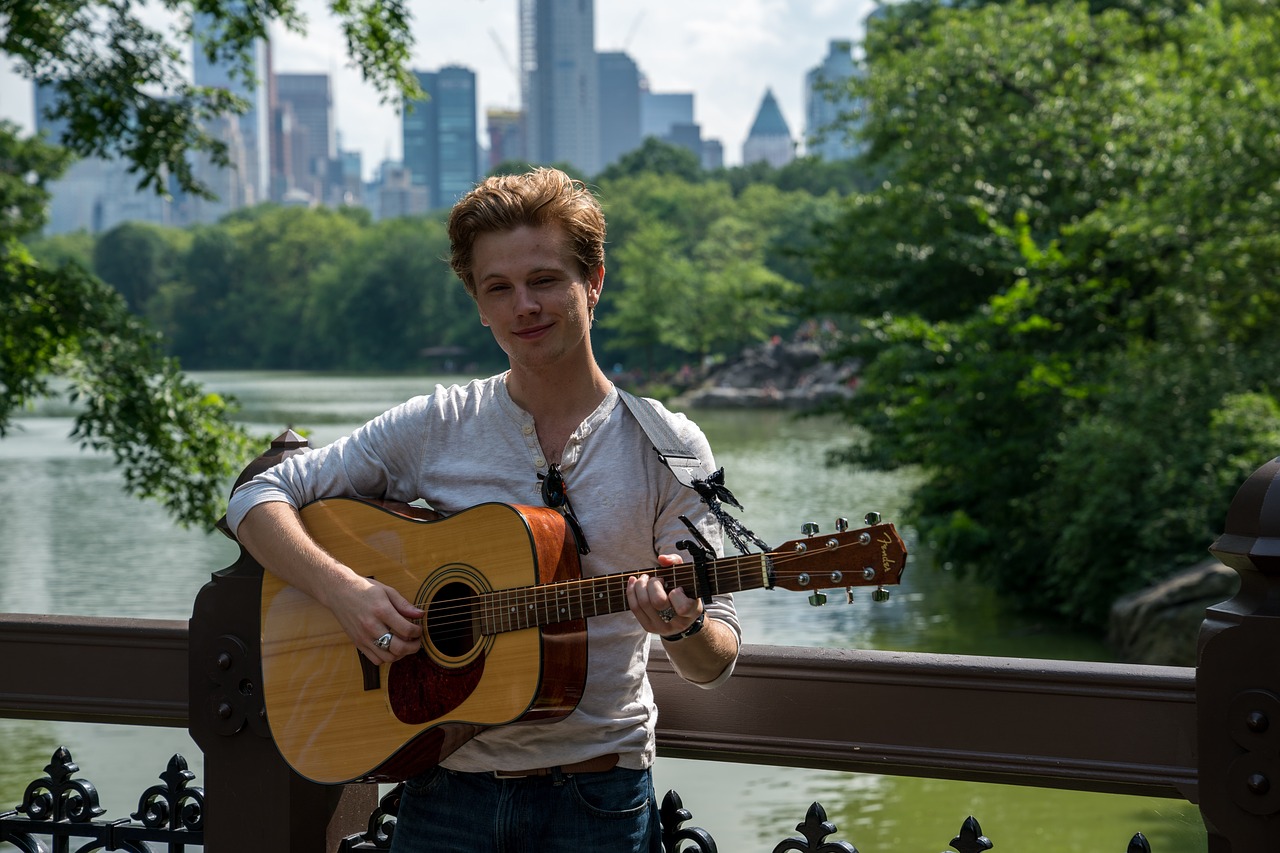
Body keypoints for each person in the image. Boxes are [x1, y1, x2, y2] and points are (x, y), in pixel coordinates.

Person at [225, 167, 741, 853]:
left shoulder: (670, 446)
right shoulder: (438, 423)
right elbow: (256, 496)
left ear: (594, 282)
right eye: (499, 287)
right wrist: (345, 591)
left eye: (546, 280)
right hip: (444, 793)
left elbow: (715, 660)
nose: (524, 305)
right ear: (478, 303)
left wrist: (683, 627)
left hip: (598, 802)